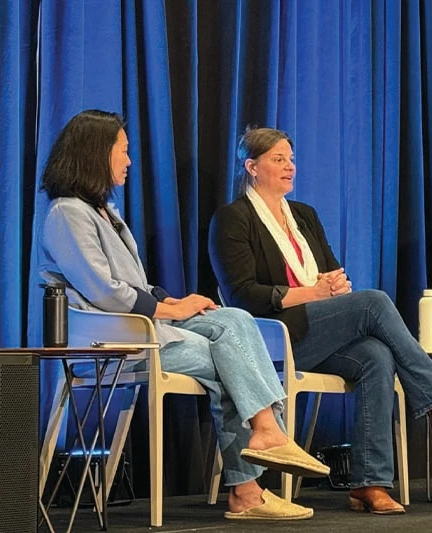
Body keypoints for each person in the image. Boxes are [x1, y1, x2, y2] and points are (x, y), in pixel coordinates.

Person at [37, 110, 331, 521]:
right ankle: (252, 477)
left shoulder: (104, 209)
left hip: (147, 325)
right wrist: (165, 309)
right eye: (123, 151)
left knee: (235, 320)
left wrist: (175, 303)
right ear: (95, 154)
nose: (129, 160)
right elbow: (103, 289)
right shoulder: (67, 213)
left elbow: (132, 282)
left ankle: (264, 439)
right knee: (232, 361)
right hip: (113, 338)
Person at [208, 127, 432, 515]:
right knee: (373, 303)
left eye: (291, 159)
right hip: (266, 338)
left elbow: (332, 272)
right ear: (252, 167)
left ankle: (369, 483)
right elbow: (241, 296)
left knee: (375, 354)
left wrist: (335, 284)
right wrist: (312, 293)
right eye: (278, 159)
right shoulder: (232, 219)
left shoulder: (303, 215)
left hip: (312, 328)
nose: (289, 167)